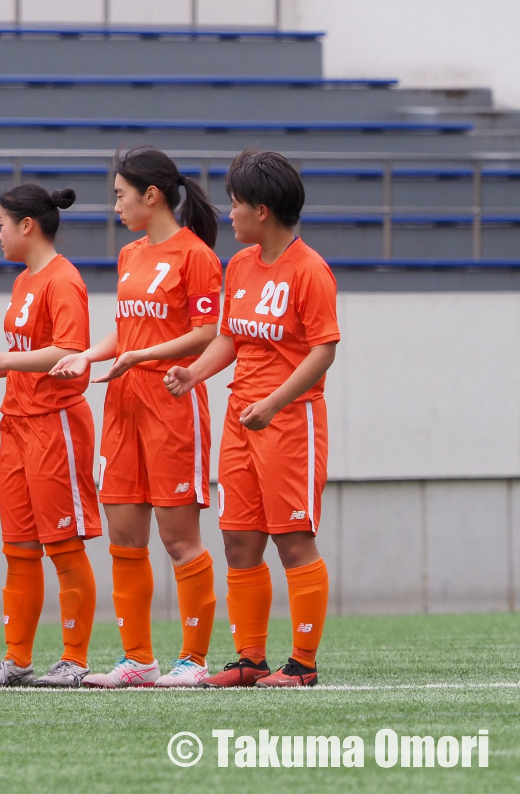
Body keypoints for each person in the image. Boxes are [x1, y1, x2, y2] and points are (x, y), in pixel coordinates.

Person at [51, 145, 222, 688]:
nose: (116, 206)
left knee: (178, 539)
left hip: (172, 402)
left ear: (152, 195)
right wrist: (88, 354)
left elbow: (208, 332)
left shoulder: (195, 255)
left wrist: (144, 358)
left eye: (121, 195)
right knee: (124, 537)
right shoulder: (131, 255)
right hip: (122, 405)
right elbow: (128, 329)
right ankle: (138, 659)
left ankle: (193, 660)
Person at [166, 150, 338, 688]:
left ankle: (303, 664)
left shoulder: (309, 270)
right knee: (239, 539)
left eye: (236, 203)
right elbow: (230, 337)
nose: (229, 212)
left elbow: (322, 351)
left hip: (290, 421)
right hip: (242, 420)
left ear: (262, 211)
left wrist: (274, 403)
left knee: (292, 540)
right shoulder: (239, 266)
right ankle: (249, 660)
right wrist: (194, 374)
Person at [0, 185, 102, 688]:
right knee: (19, 548)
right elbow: (25, 355)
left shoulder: (64, 280)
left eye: (0, 223)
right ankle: (17, 658)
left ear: (26, 225)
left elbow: (69, 350)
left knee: (63, 545)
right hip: (17, 424)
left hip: (54, 423)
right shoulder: (23, 284)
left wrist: (1, 363)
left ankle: (75, 659)